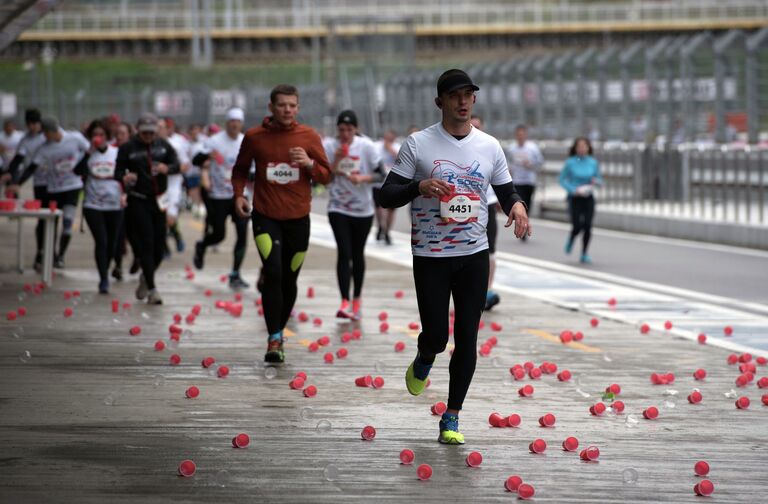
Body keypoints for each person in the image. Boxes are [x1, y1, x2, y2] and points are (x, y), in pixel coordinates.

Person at [379, 69, 530, 445]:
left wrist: (518, 206)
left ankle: (452, 416)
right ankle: (425, 354)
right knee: (436, 335)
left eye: (468, 95)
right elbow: (387, 194)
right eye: (454, 95)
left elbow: (506, 190)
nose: (463, 101)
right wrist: (419, 186)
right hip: (430, 254)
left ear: (474, 100)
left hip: (473, 255)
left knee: (466, 336)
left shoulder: (489, 146)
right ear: (440, 102)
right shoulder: (418, 144)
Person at [232, 84, 332, 364]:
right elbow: (240, 170)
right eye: (282, 105)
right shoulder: (255, 137)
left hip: (298, 220)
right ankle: (274, 336)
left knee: (289, 278)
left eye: (292, 105)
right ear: (271, 108)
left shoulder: (308, 136)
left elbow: (327, 177)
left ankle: (278, 328)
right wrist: (238, 195)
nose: (287, 110)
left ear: (297, 108)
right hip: (265, 216)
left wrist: (310, 165)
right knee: (274, 272)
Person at [323, 110, 384, 321]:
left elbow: (381, 175)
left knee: (357, 254)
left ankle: (357, 298)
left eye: (349, 129)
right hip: (338, 207)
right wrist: (336, 160)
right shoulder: (329, 146)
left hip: (363, 209)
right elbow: (324, 179)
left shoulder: (366, 146)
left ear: (356, 129)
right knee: (344, 252)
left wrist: (364, 178)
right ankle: (344, 301)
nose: (345, 134)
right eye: (341, 130)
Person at [115, 113, 180, 304]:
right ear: (138, 131)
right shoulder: (128, 148)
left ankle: (146, 276)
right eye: (145, 133)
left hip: (159, 201)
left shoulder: (163, 145)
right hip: (138, 200)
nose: (148, 137)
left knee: (159, 248)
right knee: (147, 243)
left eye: (151, 133)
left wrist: (167, 169)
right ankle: (152, 289)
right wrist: (125, 177)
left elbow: (177, 165)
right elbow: (118, 171)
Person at [14, 117, 89, 268]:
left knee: (68, 221)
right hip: (54, 189)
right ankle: (49, 253)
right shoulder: (44, 148)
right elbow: (32, 168)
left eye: (45, 134)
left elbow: (90, 151)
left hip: (73, 187)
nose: (44, 137)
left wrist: (84, 171)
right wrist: (17, 184)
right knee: (51, 224)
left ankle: (60, 256)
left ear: (52, 131)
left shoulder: (75, 138)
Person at [192, 107, 250, 290]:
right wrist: (206, 156)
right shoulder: (214, 141)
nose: (234, 124)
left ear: (241, 124)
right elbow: (196, 160)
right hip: (218, 196)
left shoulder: (247, 142)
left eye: (238, 121)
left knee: (242, 234)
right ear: (227, 123)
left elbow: (255, 169)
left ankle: (235, 274)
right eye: (231, 121)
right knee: (219, 235)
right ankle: (202, 246)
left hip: (240, 196)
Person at [77, 119, 124, 294]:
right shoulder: (89, 154)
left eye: (101, 135)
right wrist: (89, 153)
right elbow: (76, 171)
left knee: (112, 243)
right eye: (95, 135)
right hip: (93, 205)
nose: (98, 138)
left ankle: (107, 266)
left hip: (115, 204)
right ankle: (103, 279)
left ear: (107, 136)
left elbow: (125, 173)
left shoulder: (116, 152)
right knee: (101, 241)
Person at [1, 109, 46, 270]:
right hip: (40, 182)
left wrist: (18, 183)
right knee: (42, 220)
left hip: (56, 183)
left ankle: (54, 254)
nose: (32, 127)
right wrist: (8, 175)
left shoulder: (47, 135)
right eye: (29, 124)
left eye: (35, 124)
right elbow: (18, 160)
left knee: (55, 220)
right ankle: (40, 254)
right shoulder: (26, 139)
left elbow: (33, 165)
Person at [469, 116, 501, 311]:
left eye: (479, 126)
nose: (475, 129)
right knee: (468, 251)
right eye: (473, 126)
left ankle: (487, 291)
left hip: (487, 204)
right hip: (466, 206)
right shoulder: (456, 148)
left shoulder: (490, 147)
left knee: (490, 251)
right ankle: (470, 291)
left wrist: (503, 200)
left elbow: (501, 177)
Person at [559, 137, 603, 264]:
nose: (582, 149)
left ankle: (584, 253)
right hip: (575, 198)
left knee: (588, 226)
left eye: (585, 146)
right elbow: (562, 180)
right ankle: (572, 239)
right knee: (577, 226)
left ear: (588, 148)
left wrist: (596, 182)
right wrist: (573, 190)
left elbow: (600, 180)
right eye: (579, 146)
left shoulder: (593, 162)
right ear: (575, 148)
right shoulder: (570, 162)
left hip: (588, 198)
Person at [506, 124, 543, 241]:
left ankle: (525, 225)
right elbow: (506, 162)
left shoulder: (533, 148)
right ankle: (521, 228)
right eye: (518, 134)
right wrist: (509, 171)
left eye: (522, 134)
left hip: (529, 181)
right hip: (517, 181)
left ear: (526, 135)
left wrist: (530, 165)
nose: (520, 136)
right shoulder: (511, 148)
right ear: (516, 135)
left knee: (528, 206)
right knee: (520, 206)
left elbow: (540, 163)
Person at [157, 117, 189, 255]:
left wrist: (169, 169)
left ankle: (176, 236)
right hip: (157, 188)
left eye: (162, 127)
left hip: (173, 186)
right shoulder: (149, 145)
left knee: (170, 218)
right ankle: (164, 247)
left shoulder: (177, 144)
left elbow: (185, 165)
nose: (159, 131)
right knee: (160, 219)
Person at [111, 121, 135, 281]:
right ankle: (118, 265)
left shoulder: (135, 150)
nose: (119, 137)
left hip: (134, 197)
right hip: (113, 198)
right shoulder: (110, 150)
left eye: (123, 133)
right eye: (117, 133)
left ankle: (138, 258)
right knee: (118, 234)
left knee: (134, 233)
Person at [373, 129, 400, 245]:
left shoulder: (398, 147)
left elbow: (401, 161)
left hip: (393, 183)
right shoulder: (376, 146)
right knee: (378, 208)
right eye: (387, 138)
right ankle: (380, 226)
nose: (388, 141)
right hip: (378, 183)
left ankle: (387, 231)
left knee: (391, 210)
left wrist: (390, 149)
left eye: (391, 139)